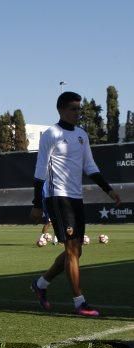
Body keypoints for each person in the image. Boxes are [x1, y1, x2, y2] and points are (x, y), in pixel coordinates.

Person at [30, 91, 121, 317]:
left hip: (76, 197)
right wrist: (37, 203)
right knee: (71, 249)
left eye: (79, 108)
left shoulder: (81, 135)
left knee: (76, 251)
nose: (77, 112)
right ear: (61, 109)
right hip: (57, 197)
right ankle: (80, 302)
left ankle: (40, 284)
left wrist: (108, 190)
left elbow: (90, 166)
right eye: (73, 108)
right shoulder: (51, 133)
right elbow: (40, 170)